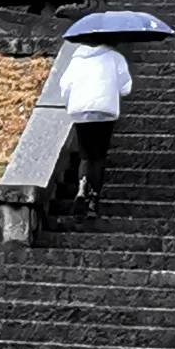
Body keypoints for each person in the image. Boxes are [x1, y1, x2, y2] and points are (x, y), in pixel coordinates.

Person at [40, 32, 132, 216]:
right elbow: (126, 88)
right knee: (98, 156)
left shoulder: (77, 59)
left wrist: (71, 102)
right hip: (105, 111)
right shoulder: (116, 58)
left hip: (80, 110)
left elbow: (65, 85)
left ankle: (81, 186)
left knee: (85, 154)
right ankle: (93, 198)